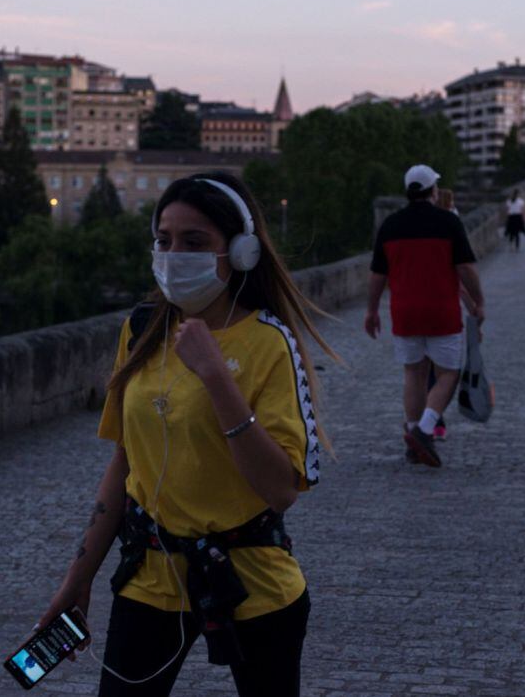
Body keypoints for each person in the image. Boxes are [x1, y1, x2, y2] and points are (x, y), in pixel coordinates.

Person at [36, 173, 335, 697]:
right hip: (150, 577)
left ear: (239, 252)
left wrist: (217, 377)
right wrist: (77, 578)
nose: (175, 255)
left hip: (253, 583)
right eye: (164, 240)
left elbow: (282, 488)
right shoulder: (141, 328)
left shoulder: (269, 343)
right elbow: (124, 463)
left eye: (195, 242)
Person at [366, 164, 485, 467]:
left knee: (413, 373)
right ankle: (424, 429)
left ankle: (412, 436)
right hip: (441, 311)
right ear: (433, 190)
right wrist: (478, 301)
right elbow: (466, 269)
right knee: (448, 374)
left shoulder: (390, 225)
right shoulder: (448, 223)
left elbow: (377, 274)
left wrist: (371, 310)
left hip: (404, 312)